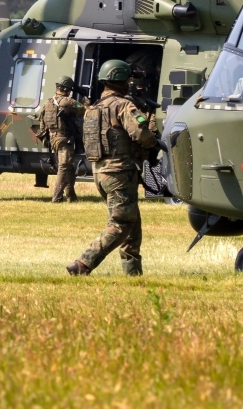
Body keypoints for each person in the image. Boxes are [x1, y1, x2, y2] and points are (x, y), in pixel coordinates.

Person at [67, 60, 159, 277]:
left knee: (132, 224)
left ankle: (133, 273)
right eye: (128, 79)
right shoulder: (123, 106)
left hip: (100, 172)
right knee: (121, 223)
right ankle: (83, 263)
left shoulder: (93, 109)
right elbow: (140, 134)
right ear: (122, 81)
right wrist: (153, 141)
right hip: (119, 173)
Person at [37, 76, 83, 203]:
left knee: (68, 167)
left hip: (53, 139)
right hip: (64, 139)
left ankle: (71, 196)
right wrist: (85, 99)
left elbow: (41, 122)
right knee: (64, 166)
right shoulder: (68, 102)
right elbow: (84, 111)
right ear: (67, 89)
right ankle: (56, 198)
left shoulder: (48, 102)